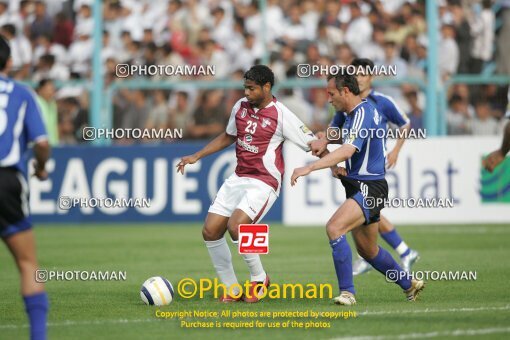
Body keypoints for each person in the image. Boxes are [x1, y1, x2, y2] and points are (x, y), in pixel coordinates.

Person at [177, 65, 316, 302]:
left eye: (251, 89)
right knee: (210, 231)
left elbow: (312, 142)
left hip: (264, 182)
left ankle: (259, 278)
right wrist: (197, 155)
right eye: (245, 88)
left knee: (237, 225)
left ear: (267, 87)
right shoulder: (240, 107)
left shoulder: (281, 114)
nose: (247, 93)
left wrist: (334, 164)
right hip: (238, 177)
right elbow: (229, 136)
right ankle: (231, 288)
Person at [292, 72, 424, 305]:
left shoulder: (363, 112)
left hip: (370, 187)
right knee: (368, 251)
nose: (329, 99)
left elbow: (348, 150)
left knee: (334, 228)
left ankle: (347, 293)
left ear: (345, 91)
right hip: (358, 185)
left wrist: (310, 168)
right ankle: (409, 284)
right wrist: (326, 142)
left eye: (331, 94)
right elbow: (343, 137)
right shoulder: (352, 114)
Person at [312, 58, 419, 275]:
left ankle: (390, 255)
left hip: (373, 167)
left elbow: (405, 123)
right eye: (355, 74)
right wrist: (325, 139)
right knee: (367, 215)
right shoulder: (345, 104)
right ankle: (397, 256)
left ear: (371, 77)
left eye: (362, 74)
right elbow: (336, 131)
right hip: (353, 173)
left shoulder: (382, 102)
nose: (358, 78)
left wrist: (396, 150)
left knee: (362, 212)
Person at [0, 36, 50, 340]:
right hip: (6, 181)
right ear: (8, 62)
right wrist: (41, 167)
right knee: (28, 263)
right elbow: (42, 144)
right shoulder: (21, 93)